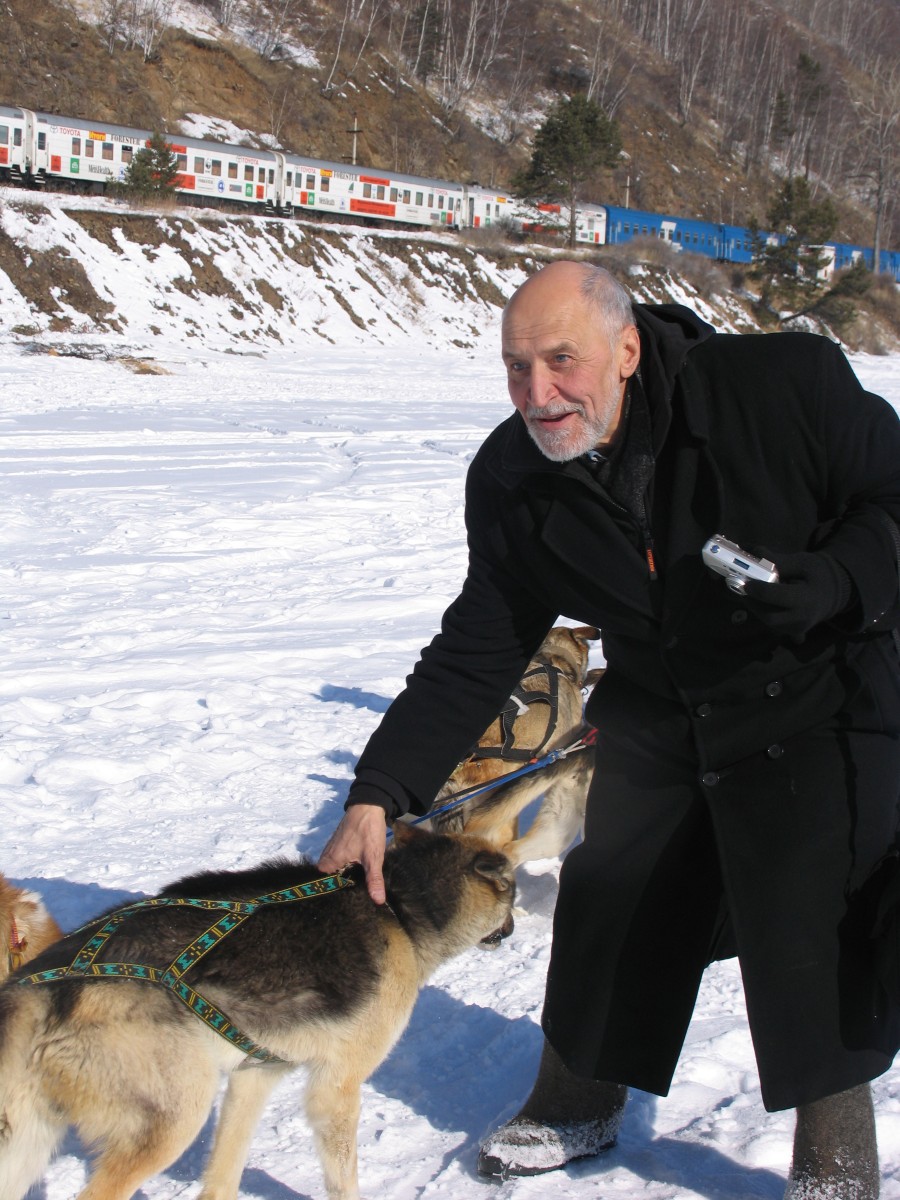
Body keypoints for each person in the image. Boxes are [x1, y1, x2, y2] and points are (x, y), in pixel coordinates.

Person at [318, 259, 900, 1198]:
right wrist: (382, 792)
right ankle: (575, 1101)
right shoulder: (513, 479)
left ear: (626, 350)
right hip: (663, 712)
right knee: (613, 903)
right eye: (515, 368)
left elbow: (893, 500)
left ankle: (836, 1166)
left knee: (813, 927)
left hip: (817, 695)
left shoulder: (781, 388)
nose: (538, 393)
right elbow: (480, 645)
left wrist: (833, 582)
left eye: (561, 360)